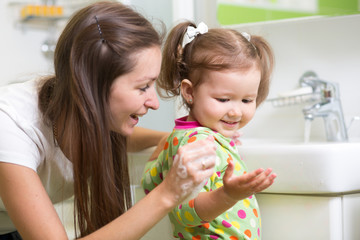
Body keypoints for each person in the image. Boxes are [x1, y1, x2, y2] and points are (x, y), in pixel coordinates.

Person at [0, 3, 219, 240]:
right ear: (92, 87)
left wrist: (170, 140)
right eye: (143, 86)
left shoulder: (77, 112)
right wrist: (169, 193)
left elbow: (125, 139)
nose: (154, 102)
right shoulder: (11, 126)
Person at [142, 21, 277, 240]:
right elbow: (183, 213)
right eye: (223, 99)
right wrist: (228, 194)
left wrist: (162, 147)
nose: (235, 112)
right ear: (189, 91)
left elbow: (149, 182)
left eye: (246, 100)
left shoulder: (187, 137)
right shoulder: (198, 144)